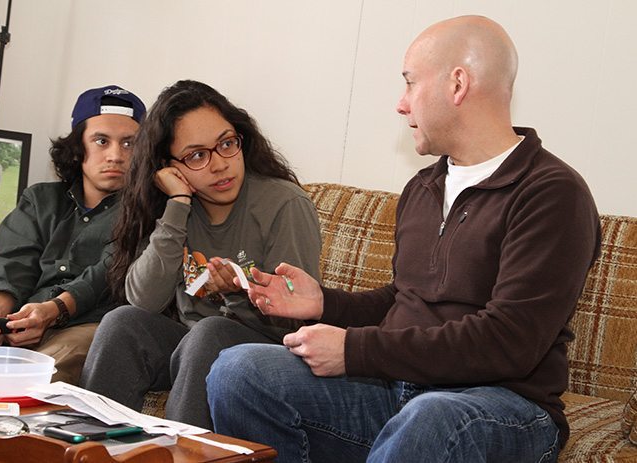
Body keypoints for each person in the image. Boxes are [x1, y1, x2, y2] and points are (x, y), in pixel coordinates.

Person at [205, 15, 601, 462]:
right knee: (239, 370)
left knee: (431, 418)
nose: (401, 103)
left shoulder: (550, 192)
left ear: (457, 84)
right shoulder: (423, 187)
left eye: (411, 83)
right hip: (400, 391)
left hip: (503, 405)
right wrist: (325, 305)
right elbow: (404, 298)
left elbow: (509, 342)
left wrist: (355, 351)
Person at [79, 80, 321, 430]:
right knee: (122, 324)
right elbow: (144, 301)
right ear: (168, 166)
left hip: (269, 352)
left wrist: (239, 293)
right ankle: (92, 449)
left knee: (209, 333)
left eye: (226, 144)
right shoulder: (176, 208)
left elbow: (299, 319)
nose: (220, 164)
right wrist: (177, 204)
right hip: (194, 345)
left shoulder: (283, 203)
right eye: (196, 155)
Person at [0, 84, 146, 385]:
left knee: (41, 371)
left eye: (129, 144)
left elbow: (109, 272)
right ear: (78, 148)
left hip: (88, 322)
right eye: (101, 141)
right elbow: (12, 257)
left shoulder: (147, 210)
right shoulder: (41, 199)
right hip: (19, 310)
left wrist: (54, 310)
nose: (115, 155)